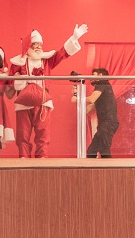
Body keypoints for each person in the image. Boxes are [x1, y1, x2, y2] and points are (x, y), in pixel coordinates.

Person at [7, 24, 87, 158]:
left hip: (43, 101)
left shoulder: (46, 61)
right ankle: (23, 159)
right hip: (23, 102)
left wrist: (73, 38)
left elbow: (62, 54)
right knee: (23, 134)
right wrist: (17, 79)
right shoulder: (18, 62)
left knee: (43, 133)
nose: (38, 47)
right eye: (35, 44)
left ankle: (42, 160)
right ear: (28, 46)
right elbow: (10, 83)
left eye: (40, 44)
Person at [74, 68, 119, 158]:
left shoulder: (102, 83)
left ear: (100, 76)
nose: (91, 77)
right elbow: (88, 108)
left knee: (104, 150)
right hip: (105, 124)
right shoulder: (104, 90)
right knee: (92, 151)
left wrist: (78, 98)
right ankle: (92, 171)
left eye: (93, 74)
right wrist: (76, 96)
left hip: (108, 123)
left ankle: (110, 171)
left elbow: (91, 99)